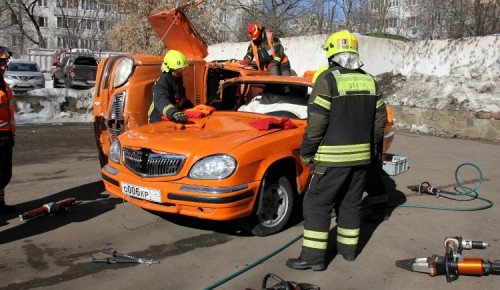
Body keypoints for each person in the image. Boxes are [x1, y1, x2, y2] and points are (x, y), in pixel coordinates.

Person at [286, 30, 386, 271]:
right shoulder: (370, 80)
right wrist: (372, 150)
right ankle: (348, 251)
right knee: (351, 202)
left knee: (316, 203)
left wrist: (307, 151)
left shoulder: (328, 80)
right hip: (361, 159)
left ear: (331, 54)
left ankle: (313, 258)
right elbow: (380, 120)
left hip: (331, 159)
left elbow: (317, 121)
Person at [148, 50, 193, 124]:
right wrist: (173, 112)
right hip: (158, 120)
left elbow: (179, 96)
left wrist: (190, 107)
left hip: (171, 117)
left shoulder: (177, 77)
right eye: (178, 71)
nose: (180, 73)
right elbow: (161, 100)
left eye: (182, 70)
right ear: (168, 68)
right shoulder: (162, 82)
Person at [0, 47, 17, 213]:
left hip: (6, 135)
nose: (4, 66)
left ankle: (1, 204)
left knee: (4, 173)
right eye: (0, 63)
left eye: (5, 63)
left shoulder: (2, 84)